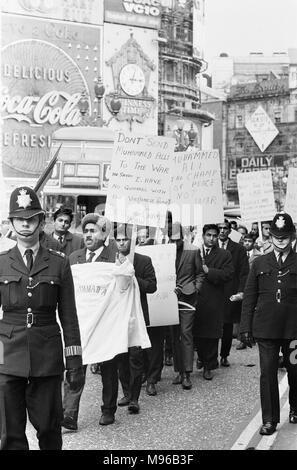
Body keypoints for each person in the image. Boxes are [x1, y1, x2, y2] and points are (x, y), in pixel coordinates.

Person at [0, 186, 84, 450]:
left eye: (32, 218)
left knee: (49, 430)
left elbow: (69, 316)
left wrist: (74, 362)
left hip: (47, 356)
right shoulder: (1, 262)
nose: (26, 224)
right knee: (10, 436)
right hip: (7, 357)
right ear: (11, 223)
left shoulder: (59, 263)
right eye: (20, 219)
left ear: (41, 221)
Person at [240, 212, 297, 436]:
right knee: (268, 373)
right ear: (270, 236)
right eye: (276, 235)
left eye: (284, 235)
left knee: (295, 370)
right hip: (266, 330)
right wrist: (245, 327)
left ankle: (295, 406)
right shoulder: (259, 263)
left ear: (292, 236)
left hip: (294, 331)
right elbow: (249, 297)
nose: (280, 239)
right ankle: (270, 419)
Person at [61, 213, 117, 430]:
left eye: (93, 231)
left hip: (105, 324)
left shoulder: (114, 258)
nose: (88, 235)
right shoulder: (74, 258)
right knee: (75, 368)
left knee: (109, 369)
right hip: (81, 323)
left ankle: (108, 410)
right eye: (85, 231)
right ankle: (69, 414)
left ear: (104, 235)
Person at [116, 224, 157, 410]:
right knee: (120, 359)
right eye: (118, 239)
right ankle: (126, 393)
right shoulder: (110, 261)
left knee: (136, 357)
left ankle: (134, 399)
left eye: (125, 239)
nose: (122, 242)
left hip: (137, 315)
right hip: (117, 316)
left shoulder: (143, 260)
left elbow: (152, 286)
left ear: (131, 242)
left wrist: (134, 278)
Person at [193, 224, 234, 380]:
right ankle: (201, 358)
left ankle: (209, 365)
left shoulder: (224, 254)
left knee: (211, 334)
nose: (211, 238)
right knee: (197, 333)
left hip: (214, 298)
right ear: (203, 236)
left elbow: (228, 274)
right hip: (196, 297)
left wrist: (208, 271)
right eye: (208, 235)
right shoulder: (195, 251)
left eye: (214, 236)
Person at [169, 222, 205, 390]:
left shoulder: (193, 251)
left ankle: (187, 374)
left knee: (186, 334)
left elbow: (200, 273)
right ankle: (179, 370)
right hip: (168, 298)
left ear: (182, 237)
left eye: (177, 240)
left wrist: (196, 289)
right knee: (174, 335)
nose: (175, 243)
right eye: (172, 240)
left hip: (188, 297)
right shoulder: (164, 251)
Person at [218, 220, 249, 366]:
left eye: (225, 228)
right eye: (220, 228)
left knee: (227, 325)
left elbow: (244, 273)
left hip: (230, 292)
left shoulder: (239, 249)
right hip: (213, 291)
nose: (222, 231)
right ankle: (207, 357)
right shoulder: (208, 248)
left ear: (230, 231)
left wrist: (241, 291)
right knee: (210, 324)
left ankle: (224, 355)